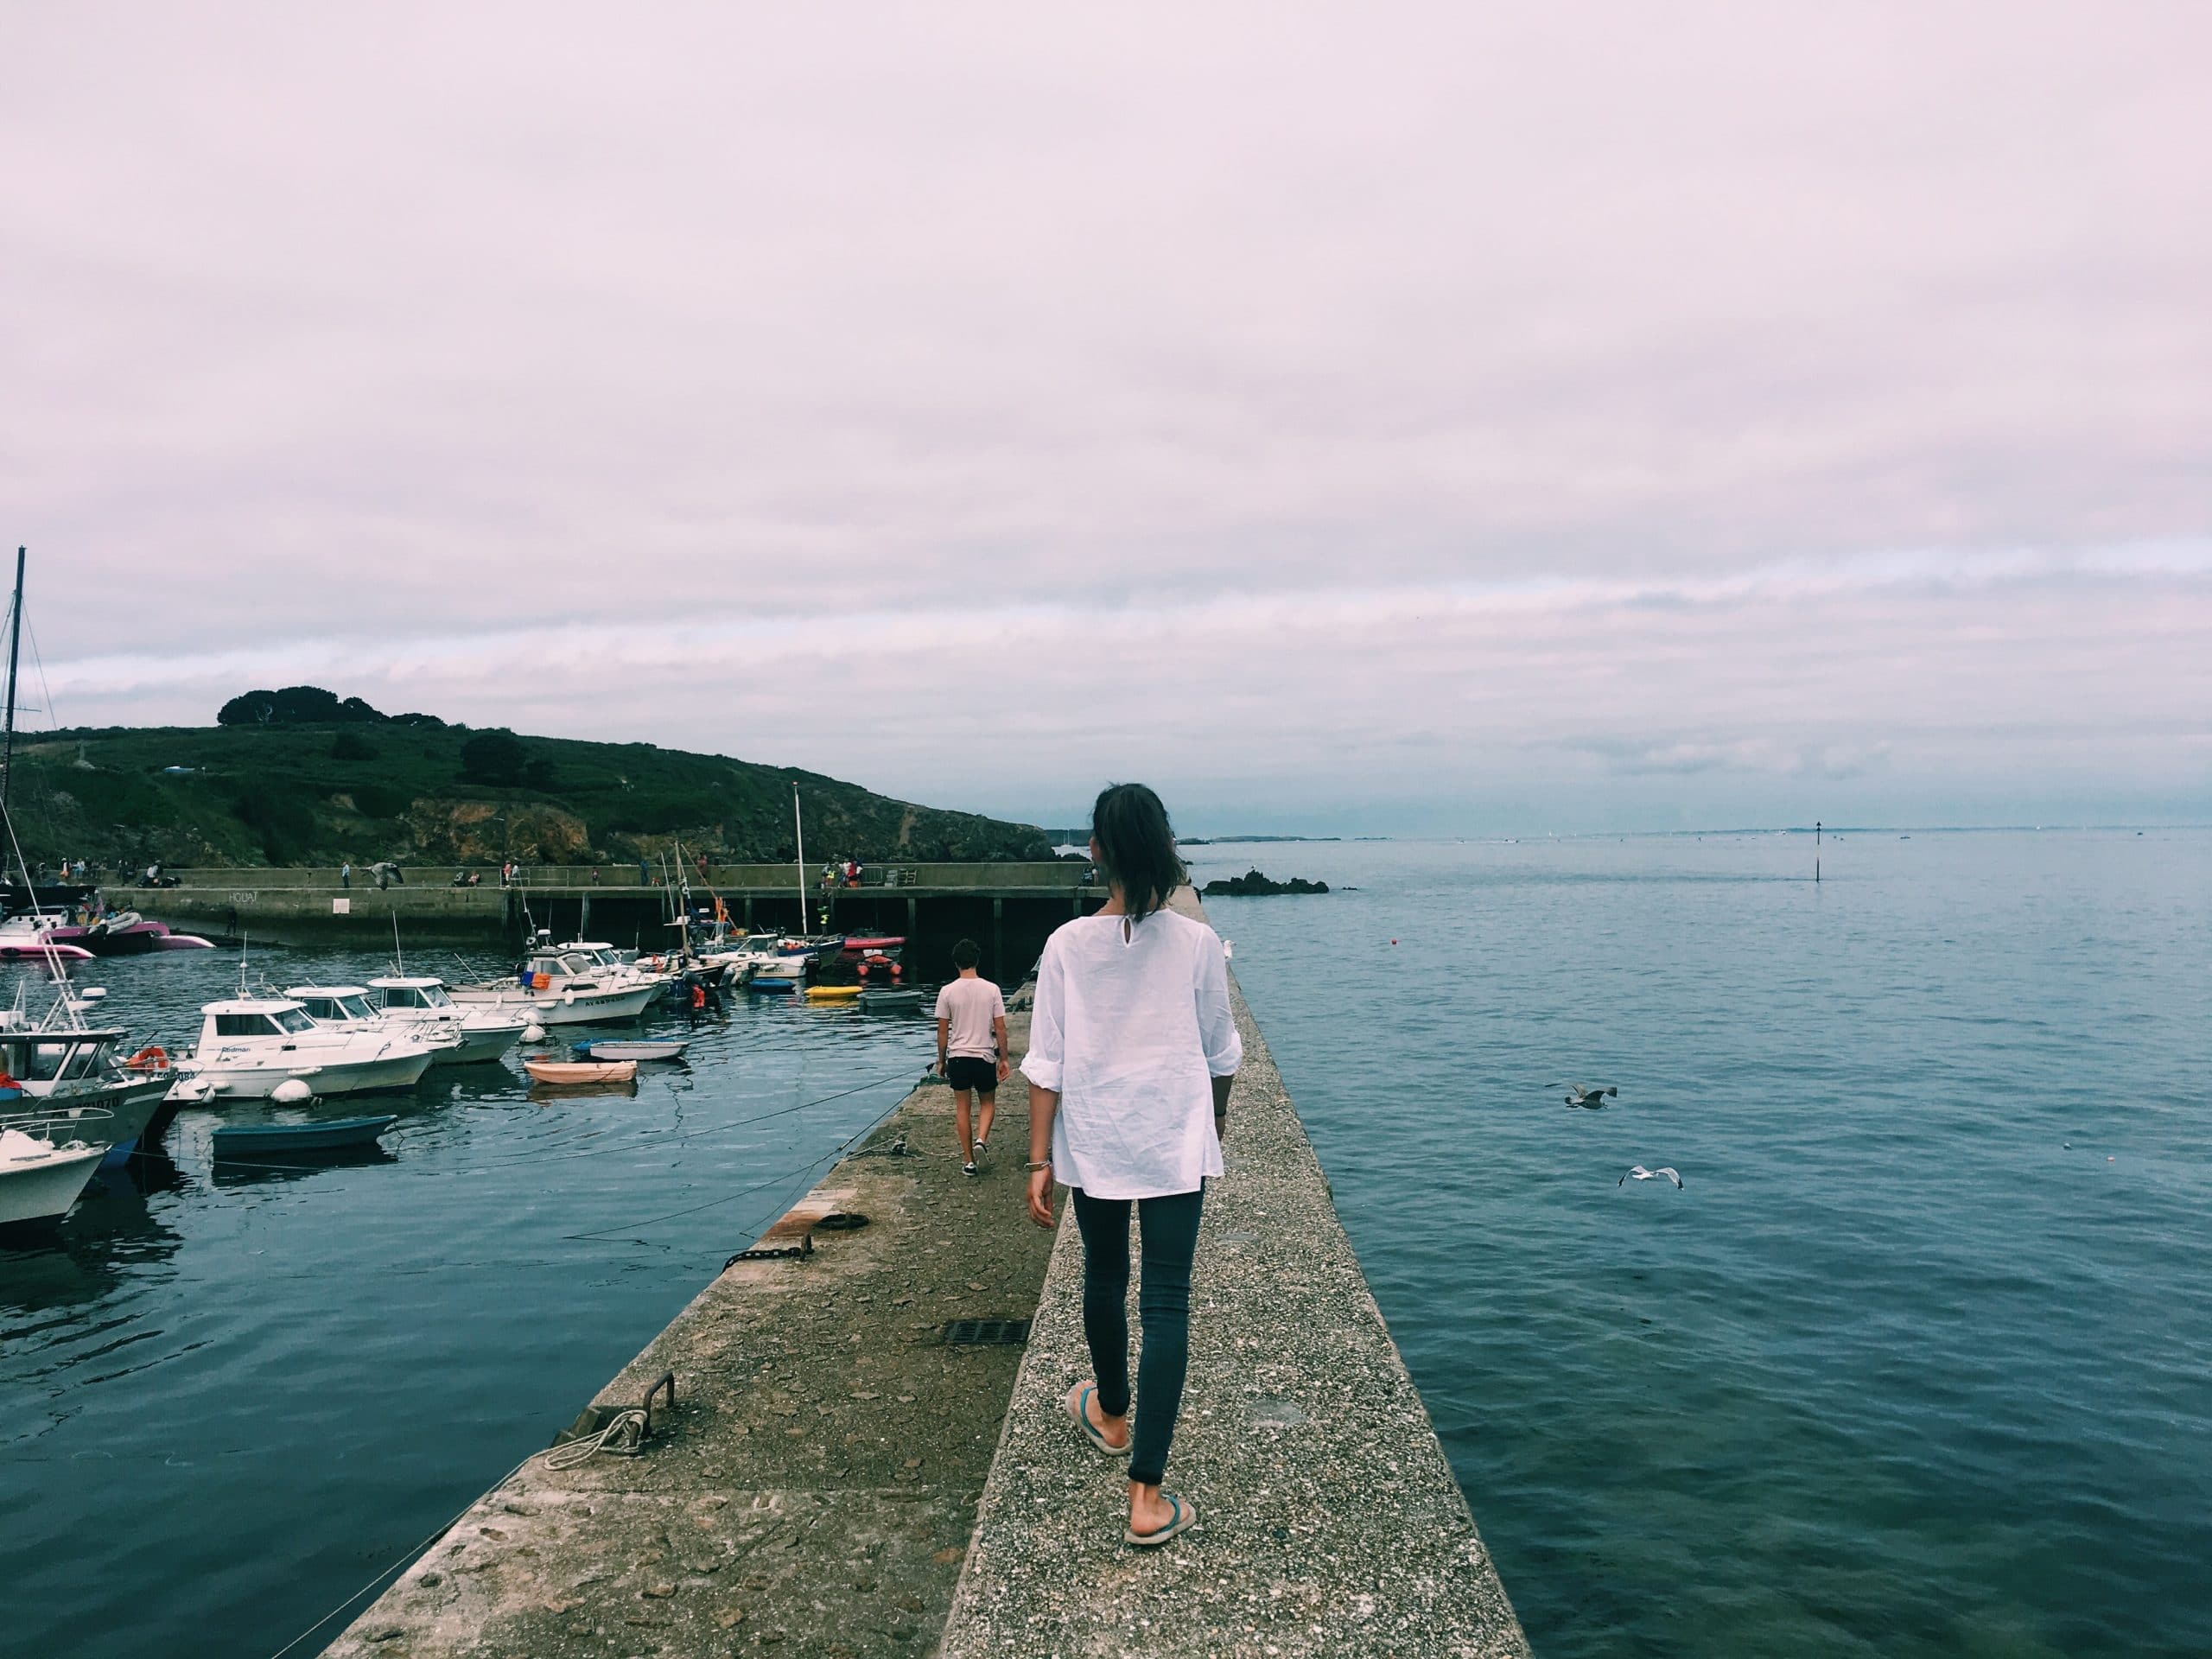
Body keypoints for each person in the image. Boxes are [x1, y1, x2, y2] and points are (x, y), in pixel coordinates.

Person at [1022, 782, 1240, 1548]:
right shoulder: (1197, 943)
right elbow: (1221, 1053)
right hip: (1175, 1141)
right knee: (1168, 1303)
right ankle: (1146, 1497)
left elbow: (1045, 1064)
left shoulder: (1066, 945)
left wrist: (1037, 1160)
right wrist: (1211, 1124)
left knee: (1105, 1278)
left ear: (1096, 852)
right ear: (1164, 847)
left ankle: (1111, 1415)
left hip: (1098, 1137)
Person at [935, 938, 1007, 1176]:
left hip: (958, 1057)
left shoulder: (947, 991)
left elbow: (943, 1030)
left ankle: (968, 1162)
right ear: (977, 961)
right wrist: (1004, 1059)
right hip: (984, 1055)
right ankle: (981, 1140)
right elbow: (1001, 1027)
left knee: (962, 1109)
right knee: (987, 1102)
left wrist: (941, 1060)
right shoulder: (992, 989)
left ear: (956, 963)